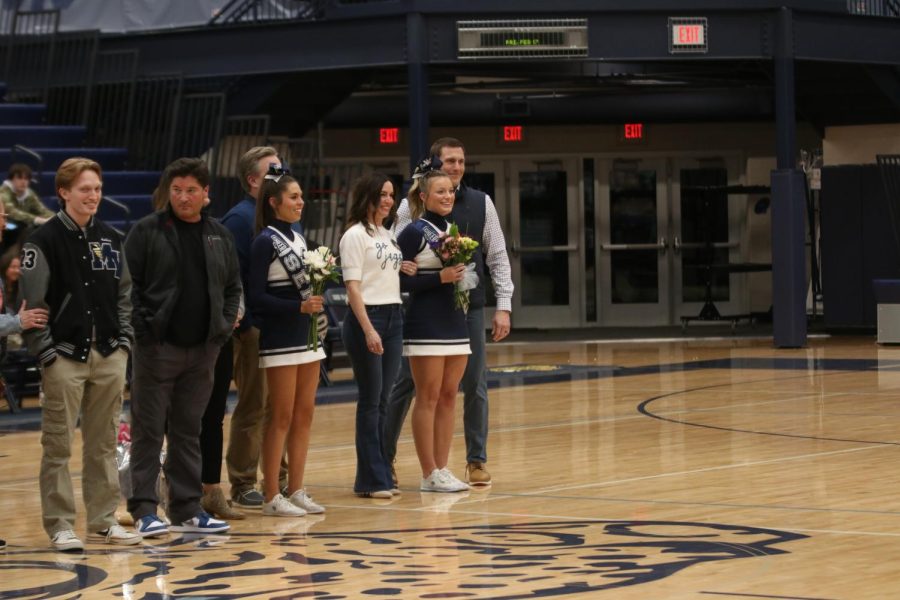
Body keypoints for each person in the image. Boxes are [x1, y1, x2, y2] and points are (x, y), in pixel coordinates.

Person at [19, 157, 140, 551]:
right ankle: (60, 525)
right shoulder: (43, 240)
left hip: (108, 355)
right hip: (64, 357)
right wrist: (47, 355)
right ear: (64, 192)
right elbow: (32, 307)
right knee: (57, 444)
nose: (93, 196)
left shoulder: (110, 237)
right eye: (85, 189)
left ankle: (104, 520)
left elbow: (124, 295)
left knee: (104, 442)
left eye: (98, 189)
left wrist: (123, 343)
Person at [385, 138, 513, 487]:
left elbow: (497, 255)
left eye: (461, 161)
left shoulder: (481, 202)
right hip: (424, 312)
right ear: (433, 168)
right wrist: (427, 278)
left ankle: (473, 461)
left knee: (473, 383)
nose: (456, 167)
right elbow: (396, 259)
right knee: (406, 385)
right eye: (449, 162)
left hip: (466, 308)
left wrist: (504, 306)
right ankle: (385, 459)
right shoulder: (410, 210)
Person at [124, 158, 241, 538]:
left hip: (203, 351)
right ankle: (144, 510)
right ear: (167, 192)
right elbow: (129, 288)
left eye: (192, 190)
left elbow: (232, 289)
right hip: (157, 349)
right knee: (148, 431)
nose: (183, 197)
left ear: (206, 194)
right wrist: (145, 334)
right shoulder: (146, 231)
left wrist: (220, 333)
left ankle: (187, 509)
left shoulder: (219, 234)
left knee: (189, 431)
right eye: (177, 190)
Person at [250, 167, 326, 516]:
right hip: (280, 338)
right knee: (280, 415)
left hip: (306, 337)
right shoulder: (265, 240)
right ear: (274, 202)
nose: (300, 202)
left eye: (300, 197)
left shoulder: (300, 238)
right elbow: (256, 299)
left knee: (304, 414)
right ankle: (270, 495)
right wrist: (298, 305)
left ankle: (296, 488)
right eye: (293, 197)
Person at [339, 173, 417, 499]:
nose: (387, 200)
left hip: (393, 316)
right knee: (371, 402)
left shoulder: (386, 233)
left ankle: (382, 472)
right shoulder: (354, 236)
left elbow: (380, 268)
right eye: (382, 195)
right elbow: (353, 286)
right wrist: (368, 329)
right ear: (367, 197)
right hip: (366, 318)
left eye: (390, 195)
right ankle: (370, 480)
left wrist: (403, 268)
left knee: (384, 401)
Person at [222, 146, 289, 509]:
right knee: (253, 406)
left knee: (280, 407)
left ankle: (277, 478)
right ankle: (243, 481)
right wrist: (246, 326)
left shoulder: (280, 217)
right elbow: (234, 277)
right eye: (272, 170)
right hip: (253, 330)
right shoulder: (239, 219)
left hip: (283, 327)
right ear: (252, 180)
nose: (281, 173)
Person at [396, 164, 470, 493]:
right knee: (426, 397)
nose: (447, 196)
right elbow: (398, 280)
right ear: (424, 196)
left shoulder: (454, 230)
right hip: (424, 322)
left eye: (450, 191)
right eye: (440, 191)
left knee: (450, 396)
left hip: (455, 320)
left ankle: (443, 467)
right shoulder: (413, 232)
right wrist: (437, 278)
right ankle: (428, 473)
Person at [0, 163, 54, 229]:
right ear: (11, 179)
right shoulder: (3, 192)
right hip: (5, 226)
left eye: (26, 179)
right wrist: (36, 219)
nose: (23, 182)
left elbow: (42, 210)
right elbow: (11, 212)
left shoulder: (30, 193)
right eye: (19, 178)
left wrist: (54, 219)